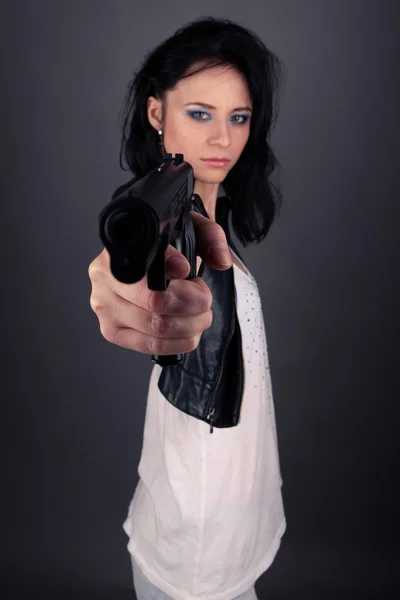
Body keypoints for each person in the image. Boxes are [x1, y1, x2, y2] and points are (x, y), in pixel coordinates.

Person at [88, 15, 286, 600]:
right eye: (199, 113)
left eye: (239, 117)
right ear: (157, 115)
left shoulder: (214, 223)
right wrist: (123, 285)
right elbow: (127, 274)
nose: (222, 138)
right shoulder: (172, 233)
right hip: (195, 554)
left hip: (230, 531)